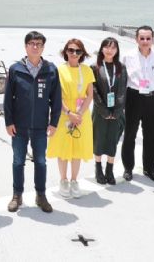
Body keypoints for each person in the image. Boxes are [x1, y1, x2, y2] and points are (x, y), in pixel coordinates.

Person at [3, 31, 61, 212]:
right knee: (18, 161)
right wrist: (9, 122)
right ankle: (17, 195)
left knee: (41, 161)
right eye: (32, 43)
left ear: (43, 47)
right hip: (19, 126)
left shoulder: (51, 70)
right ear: (26, 46)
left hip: (40, 126)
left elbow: (56, 99)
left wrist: (54, 123)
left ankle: (41, 195)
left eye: (39, 44)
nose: (35, 47)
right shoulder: (15, 69)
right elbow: (8, 99)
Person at [47, 39, 94, 198]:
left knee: (77, 150)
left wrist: (79, 114)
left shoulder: (87, 70)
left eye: (78, 51)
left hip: (82, 115)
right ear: (66, 51)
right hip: (63, 114)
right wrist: (69, 113)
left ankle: (74, 180)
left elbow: (90, 95)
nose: (74, 54)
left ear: (82, 54)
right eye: (71, 50)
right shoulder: (58, 70)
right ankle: (63, 180)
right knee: (63, 148)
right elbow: (55, 96)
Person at [121, 26, 154, 183]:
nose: (145, 41)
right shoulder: (127, 56)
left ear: (153, 39)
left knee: (151, 136)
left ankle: (149, 169)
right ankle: (128, 168)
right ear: (136, 39)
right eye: (142, 38)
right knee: (130, 134)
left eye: (148, 38)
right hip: (133, 97)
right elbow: (121, 80)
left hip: (152, 99)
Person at [91, 37, 128, 185]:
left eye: (113, 48)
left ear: (117, 50)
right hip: (100, 111)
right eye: (106, 47)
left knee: (112, 140)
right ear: (101, 49)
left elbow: (122, 91)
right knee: (99, 139)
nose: (109, 50)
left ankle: (109, 169)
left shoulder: (121, 67)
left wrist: (117, 111)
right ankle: (98, 168)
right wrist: (104, 110)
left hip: (117, 111)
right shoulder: (94, 67)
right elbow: (93, 90)